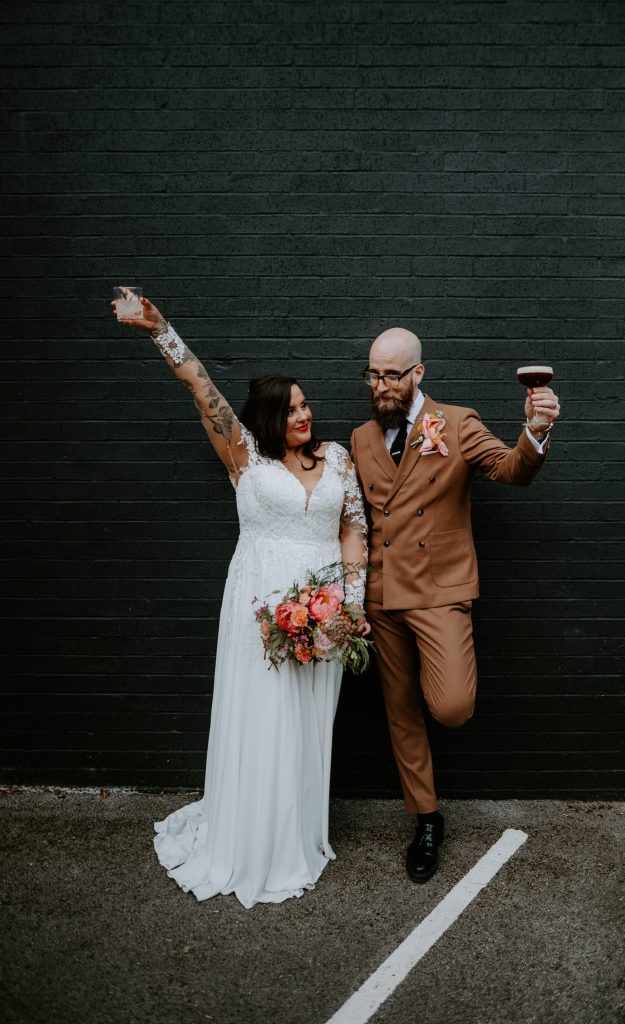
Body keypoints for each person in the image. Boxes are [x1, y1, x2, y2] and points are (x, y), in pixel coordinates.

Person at [113, 297, 369, 908]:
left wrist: (349, 607)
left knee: (308, 724)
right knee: (266, 718)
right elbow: (203, 393)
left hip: (327, 613)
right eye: (291, 407)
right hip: (261, 609)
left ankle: (294, 835)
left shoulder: (336, 458)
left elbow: (354, 529)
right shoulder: (243, 459)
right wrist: (160, 329)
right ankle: (252, 840)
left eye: (306, 404)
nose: (304, 414)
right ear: (267, 417)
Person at [350, 327, 560, 883]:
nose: (381, 385)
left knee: (451, 707)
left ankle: (435, 693)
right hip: (384, 594)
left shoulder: (459, 423)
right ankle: (426, 818)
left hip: (439, 593)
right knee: (400, 714)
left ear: (419, 373)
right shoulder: (361, 439)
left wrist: (535, 431)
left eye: (392, 374)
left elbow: (511, 471)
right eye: (373, 374)